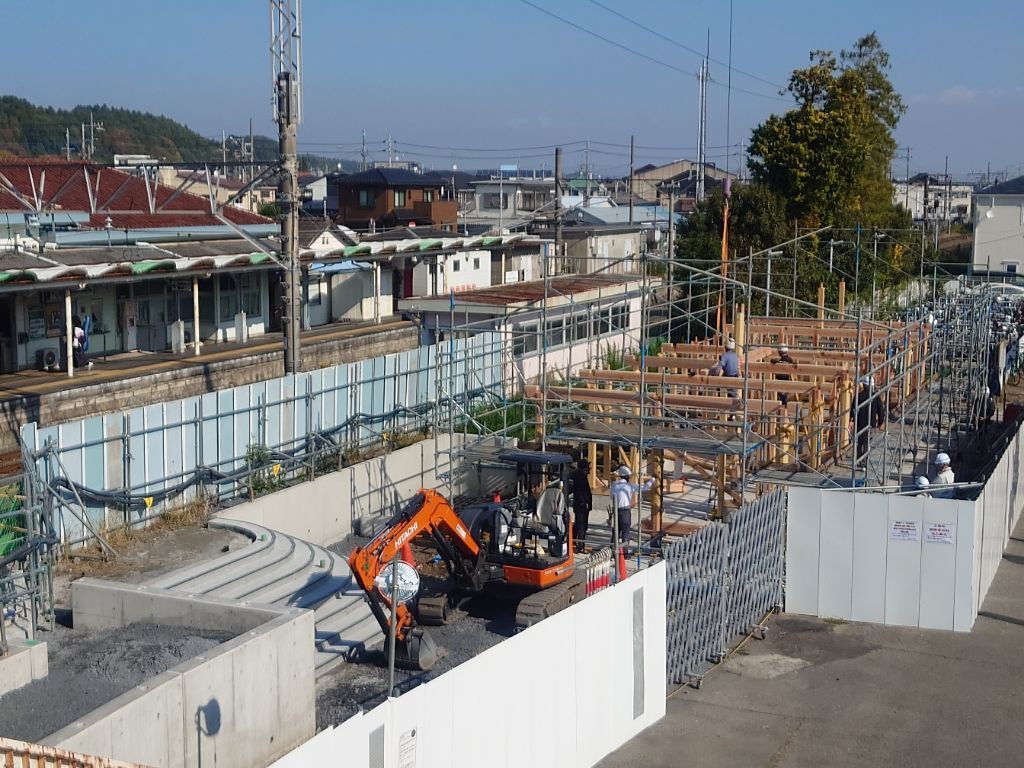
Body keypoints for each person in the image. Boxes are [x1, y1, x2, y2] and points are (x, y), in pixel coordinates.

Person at [609, 465, 654, 551]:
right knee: (625, 532)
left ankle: (612, 551)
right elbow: (645, 488)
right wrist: (652, 479)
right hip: (625, 511)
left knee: (616, 532)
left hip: (616, 511)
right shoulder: (629, 486)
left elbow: (611, 496)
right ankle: (624, 553)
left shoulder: (614, 485)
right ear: (627, 477)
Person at [853, 376, 885, 467]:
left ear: (863, 385)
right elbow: (881, 411)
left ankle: (859, 461)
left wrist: (852, 420)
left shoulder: (858, 397)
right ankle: (864, 462)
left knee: (860, 443)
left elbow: (853, 410)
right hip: (870, 424)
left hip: (859, 424)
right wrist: (880, 423)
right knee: (867, 443)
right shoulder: (876, 397)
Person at [569, 459, 593, 553]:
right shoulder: (581, 478)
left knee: (578, 524)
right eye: (587, 467)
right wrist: (585, 502)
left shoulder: (580, 476)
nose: (589, 469)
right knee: (582, 525)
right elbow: (581, 493)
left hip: (580, 505)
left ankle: (573, 541)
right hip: (581, 506)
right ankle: (580, 546)